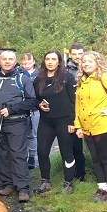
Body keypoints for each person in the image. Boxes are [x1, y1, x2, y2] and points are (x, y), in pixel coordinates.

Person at [0, 50, 36, 202]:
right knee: (1, 154)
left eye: (11, 59)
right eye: (5, 59)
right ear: (0, 61)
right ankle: (8, 183)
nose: (7, 62)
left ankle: (22, 187)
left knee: (18, 154)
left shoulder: (23, 78)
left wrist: (11, 110)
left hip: (17, 121)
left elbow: (31, 101)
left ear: (15, 61)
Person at [74, 51, 107, 201]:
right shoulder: (82, 81)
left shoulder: (104, 77)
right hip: (87, 127)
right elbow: (78, 106)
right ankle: (102, 188)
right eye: (84, 62)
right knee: (95, 159)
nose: (86, 64)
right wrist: (78, 126)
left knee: (105, 159)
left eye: (90, 61)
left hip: (103, 125)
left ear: (98, 63)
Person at [34, 50, 77, 194]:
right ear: (44, 61)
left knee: (66, 152)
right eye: (47, 59)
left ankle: (68, 183)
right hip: (46, 121)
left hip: (64, 121)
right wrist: (39, 105)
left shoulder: (68, 78)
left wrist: (72, 122)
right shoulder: (39, 79)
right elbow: (34, 99)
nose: (50, 62)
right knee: (42, 151)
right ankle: (45, 181)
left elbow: (74, 101)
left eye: (53, 59)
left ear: (59, 62)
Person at [66, 42, 87, 181]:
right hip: (73, 112)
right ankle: (79, 173)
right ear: (70, 55)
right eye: (74, 54)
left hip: (89, 110)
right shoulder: (65, 70)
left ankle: (103, 176)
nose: (77, 57)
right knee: (75, 145)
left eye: (80, 54)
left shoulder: (89, 67)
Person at [21, 52, 40, 169]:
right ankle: (22, 157)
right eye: (24, 61)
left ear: (33, 62)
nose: (26, 63)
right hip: (21, 108)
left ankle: (32, 156)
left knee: (32, 134)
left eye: (29, 61)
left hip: (34, 109)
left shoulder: (40, 75)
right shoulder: (18, 73)